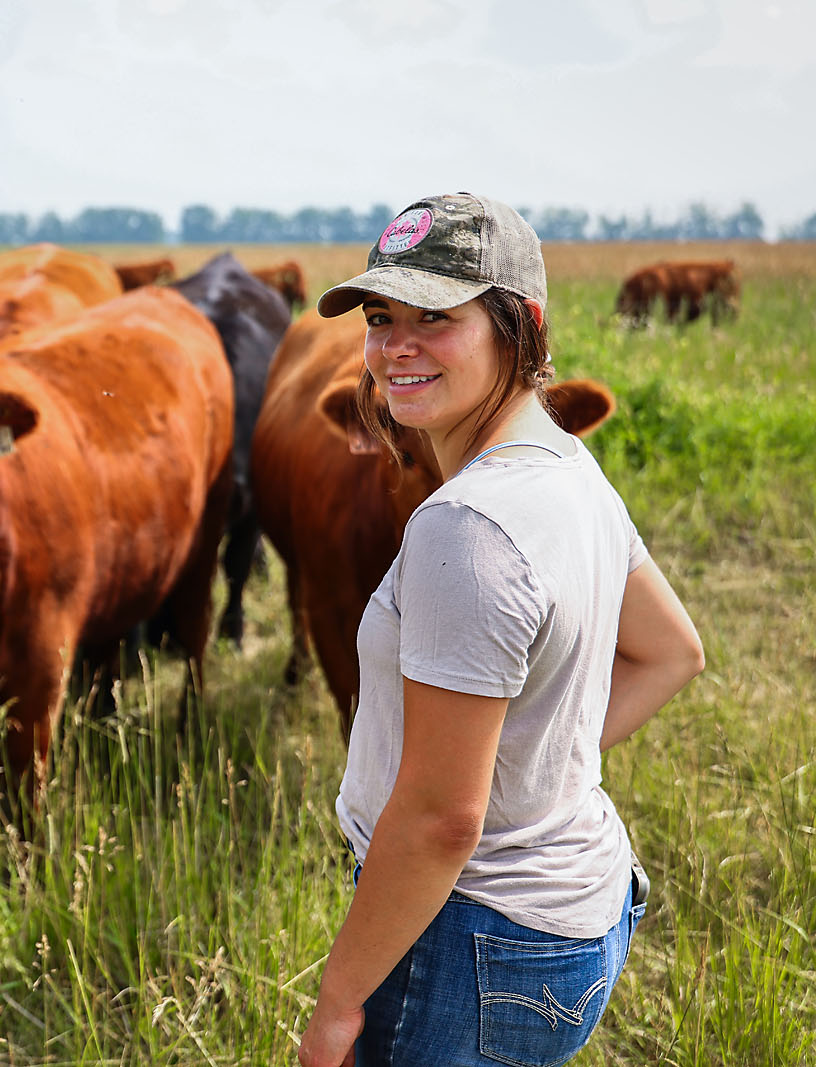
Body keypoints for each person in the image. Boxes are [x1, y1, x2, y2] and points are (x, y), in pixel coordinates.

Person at [296, 192, 705, 1066]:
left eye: (436, 316)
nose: (396, 346)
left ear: (522, 326)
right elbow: (673, 651)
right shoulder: (564, 462)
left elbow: (444, 819)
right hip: (576, 915)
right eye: (380, 317)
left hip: (467, 937)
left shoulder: (466, 526)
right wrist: (534, 778)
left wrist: (336, 1007)